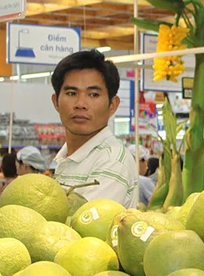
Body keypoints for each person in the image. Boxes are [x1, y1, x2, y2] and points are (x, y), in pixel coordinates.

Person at [50, 50, 138, 208]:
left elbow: (85, 225)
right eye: (71, 93)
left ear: (112, 105)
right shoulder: (65, 157)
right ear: (56, 102)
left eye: (93, 95)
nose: (80, 103)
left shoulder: (112, 162)